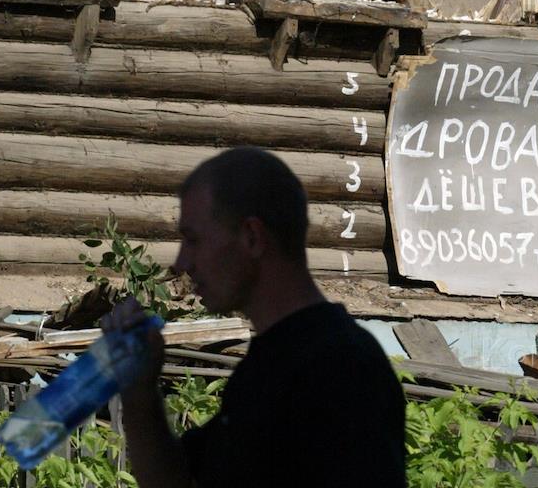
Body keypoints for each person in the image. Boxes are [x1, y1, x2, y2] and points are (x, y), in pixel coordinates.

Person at [105, 146, 406, 487]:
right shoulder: (268, 365)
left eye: (193, 240)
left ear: (252, 237)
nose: (181, 263)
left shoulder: (340, 370)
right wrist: (139, 390)